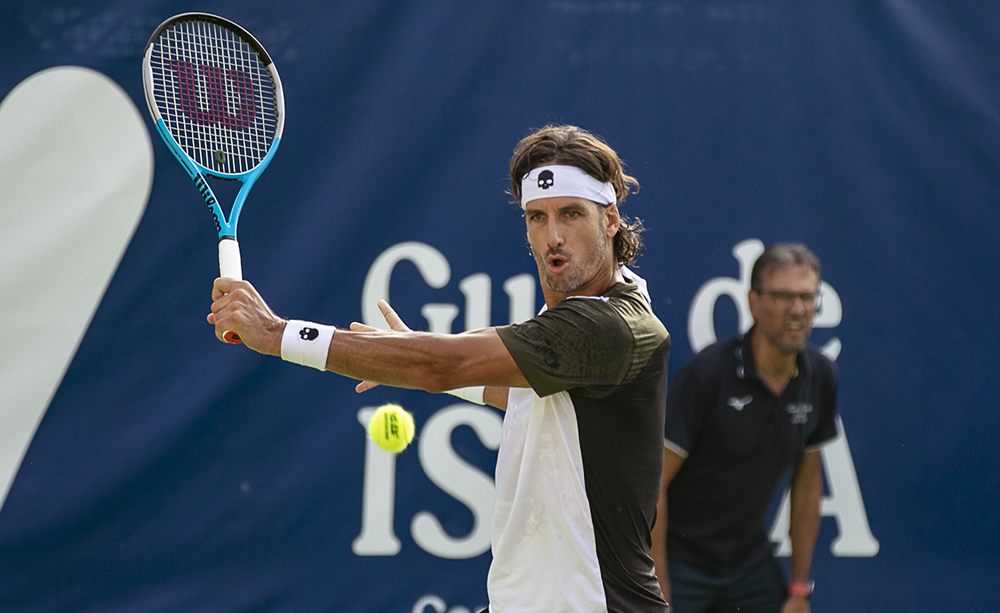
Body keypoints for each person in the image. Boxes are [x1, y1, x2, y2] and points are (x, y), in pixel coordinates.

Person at [208, 124, 671, 613]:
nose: (553, 236)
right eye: (537, 217)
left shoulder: (612, 327)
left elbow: (441, 365)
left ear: (612, 219)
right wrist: (398, 360)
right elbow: (510, 392)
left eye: (571, 214)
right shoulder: (571, 327)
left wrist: (278, 333)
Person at [650, 243, 838, 613]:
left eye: (807, 297)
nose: (798, 310)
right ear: (753, 302)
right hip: (680, 563)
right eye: (783, 296)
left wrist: (800, 588)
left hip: (748, 563)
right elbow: (651, 487)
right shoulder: (707, 376)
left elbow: (807, 485)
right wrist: (659, 591)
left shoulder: (821, 377)